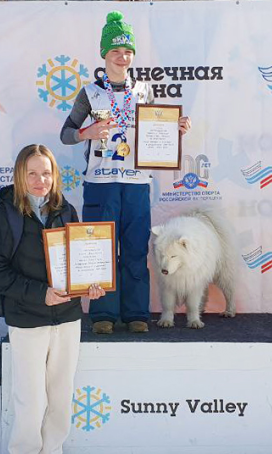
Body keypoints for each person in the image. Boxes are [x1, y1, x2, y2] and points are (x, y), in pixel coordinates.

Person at [0, 144, 105, 454]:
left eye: (46, 173)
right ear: (20, 175)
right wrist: (39, 293)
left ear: (55, 175)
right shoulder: (3, 216)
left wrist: (90, 285)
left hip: (66, 317)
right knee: (30, 396)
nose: (40, 180)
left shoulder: (67, 210)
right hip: (27, 317)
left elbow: (82, 261)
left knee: (60, 393)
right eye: (32, 173)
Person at [60, 11, 191, 335]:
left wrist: (175, 131)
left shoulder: (143, 91)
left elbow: (154, 131)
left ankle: (136, 313)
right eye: (116, 50)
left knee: (134, 248)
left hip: (135, 181)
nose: (123, 56)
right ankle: (103, 312)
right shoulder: (90, 93)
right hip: (101, 182)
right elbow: (66, 133)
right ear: (104, 54)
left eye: (128, 51)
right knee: (100, 248)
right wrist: (87, 133)